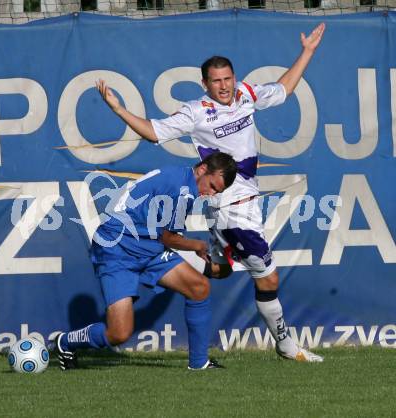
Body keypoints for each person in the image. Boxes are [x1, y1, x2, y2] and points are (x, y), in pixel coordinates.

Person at [94, 23, 326, 362]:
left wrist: (307, 52)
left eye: (227, 78)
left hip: (248, 201)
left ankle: (164, 255)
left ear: (234, 77)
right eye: (216, 81)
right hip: (230, 208)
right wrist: (118, 110)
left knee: (221, 271)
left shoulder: (246, 93)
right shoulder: (196, 112)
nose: (224, 86)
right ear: (205, 84)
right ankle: (286, 346)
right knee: (268, 274)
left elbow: (284, 89)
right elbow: (155, 133)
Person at [55, 152, 237, 370]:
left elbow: (162, 234)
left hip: (147, 247)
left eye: (217, 191)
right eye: (212, 185)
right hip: (118, 249)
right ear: (202, 169)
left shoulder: (180, 178)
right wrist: (198, 246)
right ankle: (64, 343)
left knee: (198, 288)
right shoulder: (181, 189)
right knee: (119, 334)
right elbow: (167, 237)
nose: (211, 193)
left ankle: (199, 363)